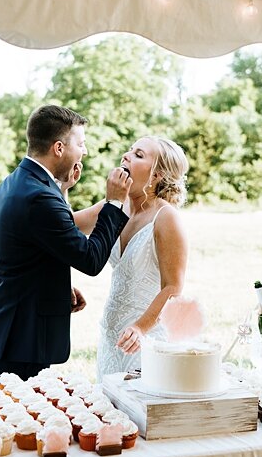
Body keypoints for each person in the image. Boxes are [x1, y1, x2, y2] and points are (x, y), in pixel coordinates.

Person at [0, 104, 132, 385]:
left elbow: (39, 243)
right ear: (59, 148)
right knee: (20, 422)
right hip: (20, 338)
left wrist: (56, 287)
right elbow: (91, 260)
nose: (84, 151)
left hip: (9, 328)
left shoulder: (21, 182)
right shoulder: (39, 197)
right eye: (80, 144)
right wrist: (115, 201)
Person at [69, 136, 190, 378]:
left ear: (157, 175)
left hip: (145, 340)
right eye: (129, 150)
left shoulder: (166, 217)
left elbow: (173, 288)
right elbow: (63, 226)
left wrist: (140, 328)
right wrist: (64, 187)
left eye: (139, 155)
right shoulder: (113, 206)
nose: (126, 156)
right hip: (111, 335)